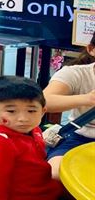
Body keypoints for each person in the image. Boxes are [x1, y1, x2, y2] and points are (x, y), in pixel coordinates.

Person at [44, 31, 95, 179]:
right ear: (91, 49)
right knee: (56, 173)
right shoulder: (76, 73)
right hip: (80, 137)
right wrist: (88, 99)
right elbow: (44, 101)